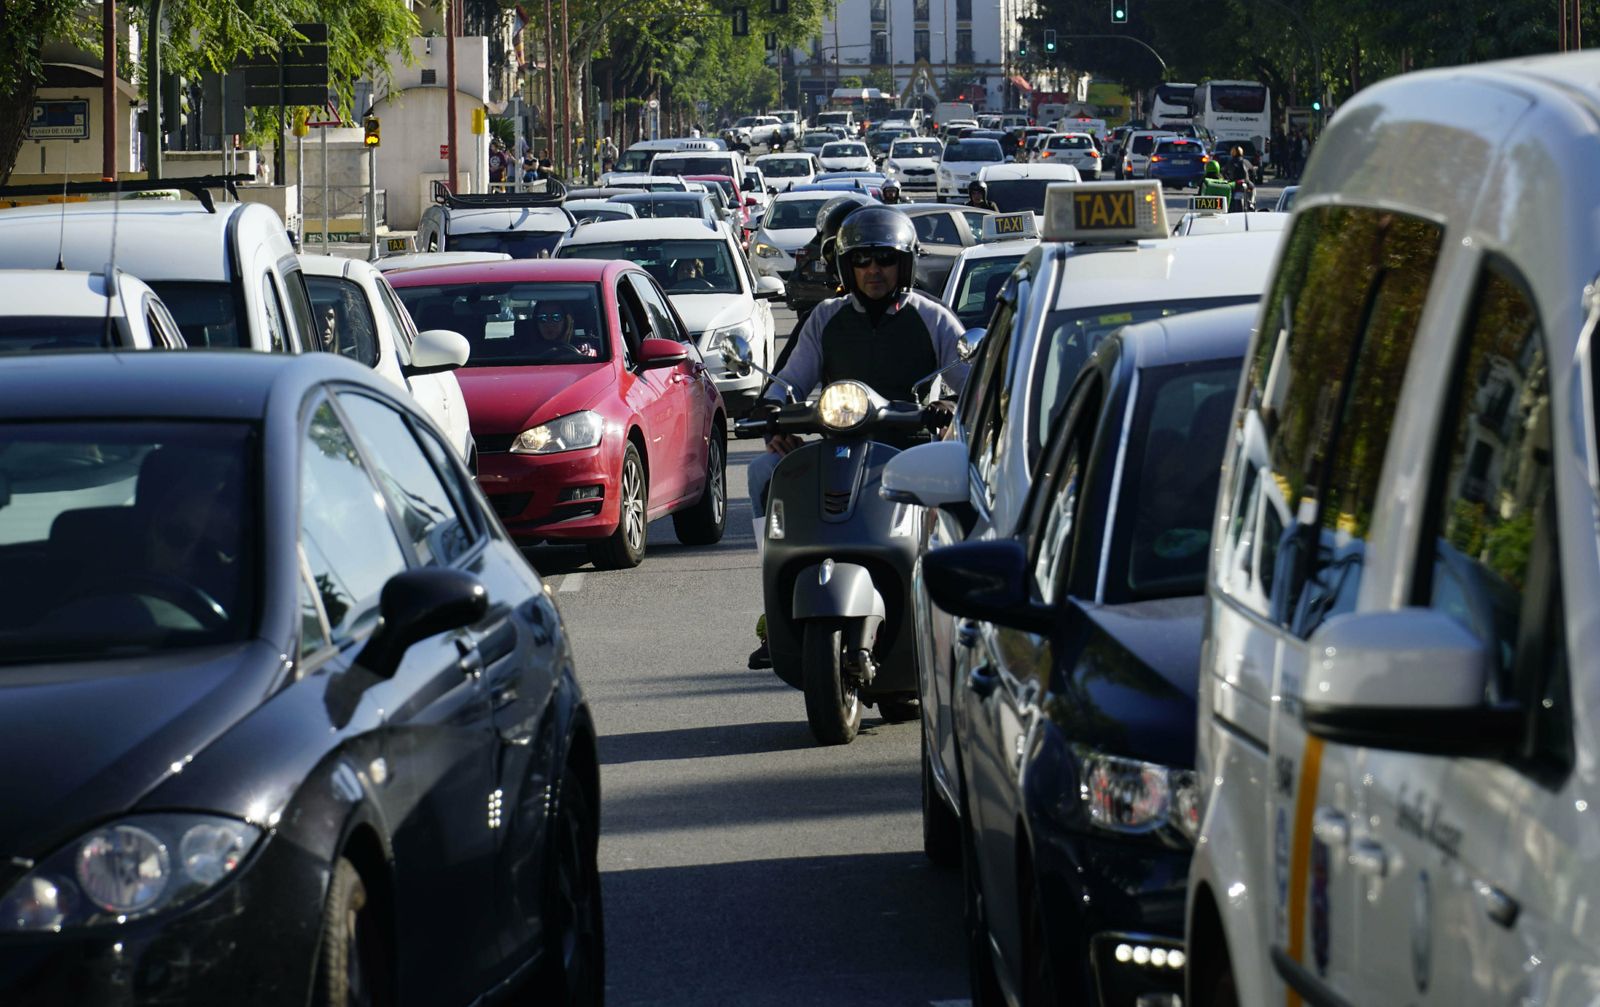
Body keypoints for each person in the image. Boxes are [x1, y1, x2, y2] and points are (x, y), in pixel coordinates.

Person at [743, 206, 967, 669]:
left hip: (912, 453)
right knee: (765, 471)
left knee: (963, 480)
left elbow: (975, 381)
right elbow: (790, 380)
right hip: (839, 452)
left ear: (904, 264)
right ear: (846, 266)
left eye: (884, 259)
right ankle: (776, 607)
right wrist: (771, 410)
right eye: (862, 260)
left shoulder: (934, 318)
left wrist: (952, 408)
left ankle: (963, 606)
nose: (873, 270)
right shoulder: (826, 317)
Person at [1224, 145, 1255, 211]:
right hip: (1245, 182)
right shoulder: (1245, 161)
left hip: (1234, 183)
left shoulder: (1230, 162)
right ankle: (1251, 203)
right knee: (1253, 187)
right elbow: (1252, 171)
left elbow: (1224, 172)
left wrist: (1227, 179)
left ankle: (1228, 205)